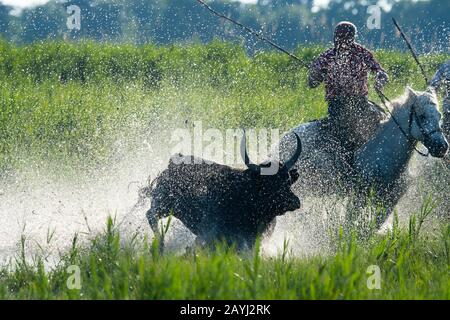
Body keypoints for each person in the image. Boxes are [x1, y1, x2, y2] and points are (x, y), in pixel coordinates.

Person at [308, 21, 389, 159]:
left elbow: (381, 72)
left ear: (352, 38)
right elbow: (312, 84)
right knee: (345, 133)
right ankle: (347, 160)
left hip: (361, 102)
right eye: (338, 38)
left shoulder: (362, 53)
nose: (341, 41)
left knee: (383, 122)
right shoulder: (326, 57)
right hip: (337, 104)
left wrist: (380, 79)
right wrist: (314, 74)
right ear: (334, 38)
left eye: (345, 38)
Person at [429, 60, 450, 136]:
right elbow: (433, 86)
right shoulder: (446, 66)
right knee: (446, 131)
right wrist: (431, 88)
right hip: (448, 110)